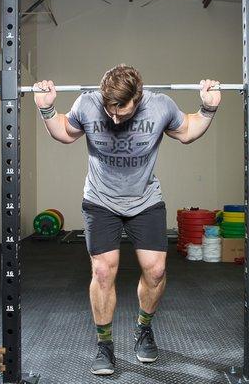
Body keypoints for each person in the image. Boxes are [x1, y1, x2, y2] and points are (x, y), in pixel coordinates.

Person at [33, 65, 221, 375]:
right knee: (103, 271)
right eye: (111, 112)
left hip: (145, 200)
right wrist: (47, 110)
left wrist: (208, 108)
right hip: (100, 200)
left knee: (156, 271)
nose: (116, 119)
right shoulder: (87, 103)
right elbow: (65, 133)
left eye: (124, 112)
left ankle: (143, 329)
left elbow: (187, 130)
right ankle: (104, 344)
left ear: (139, 96)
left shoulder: (160, 106)